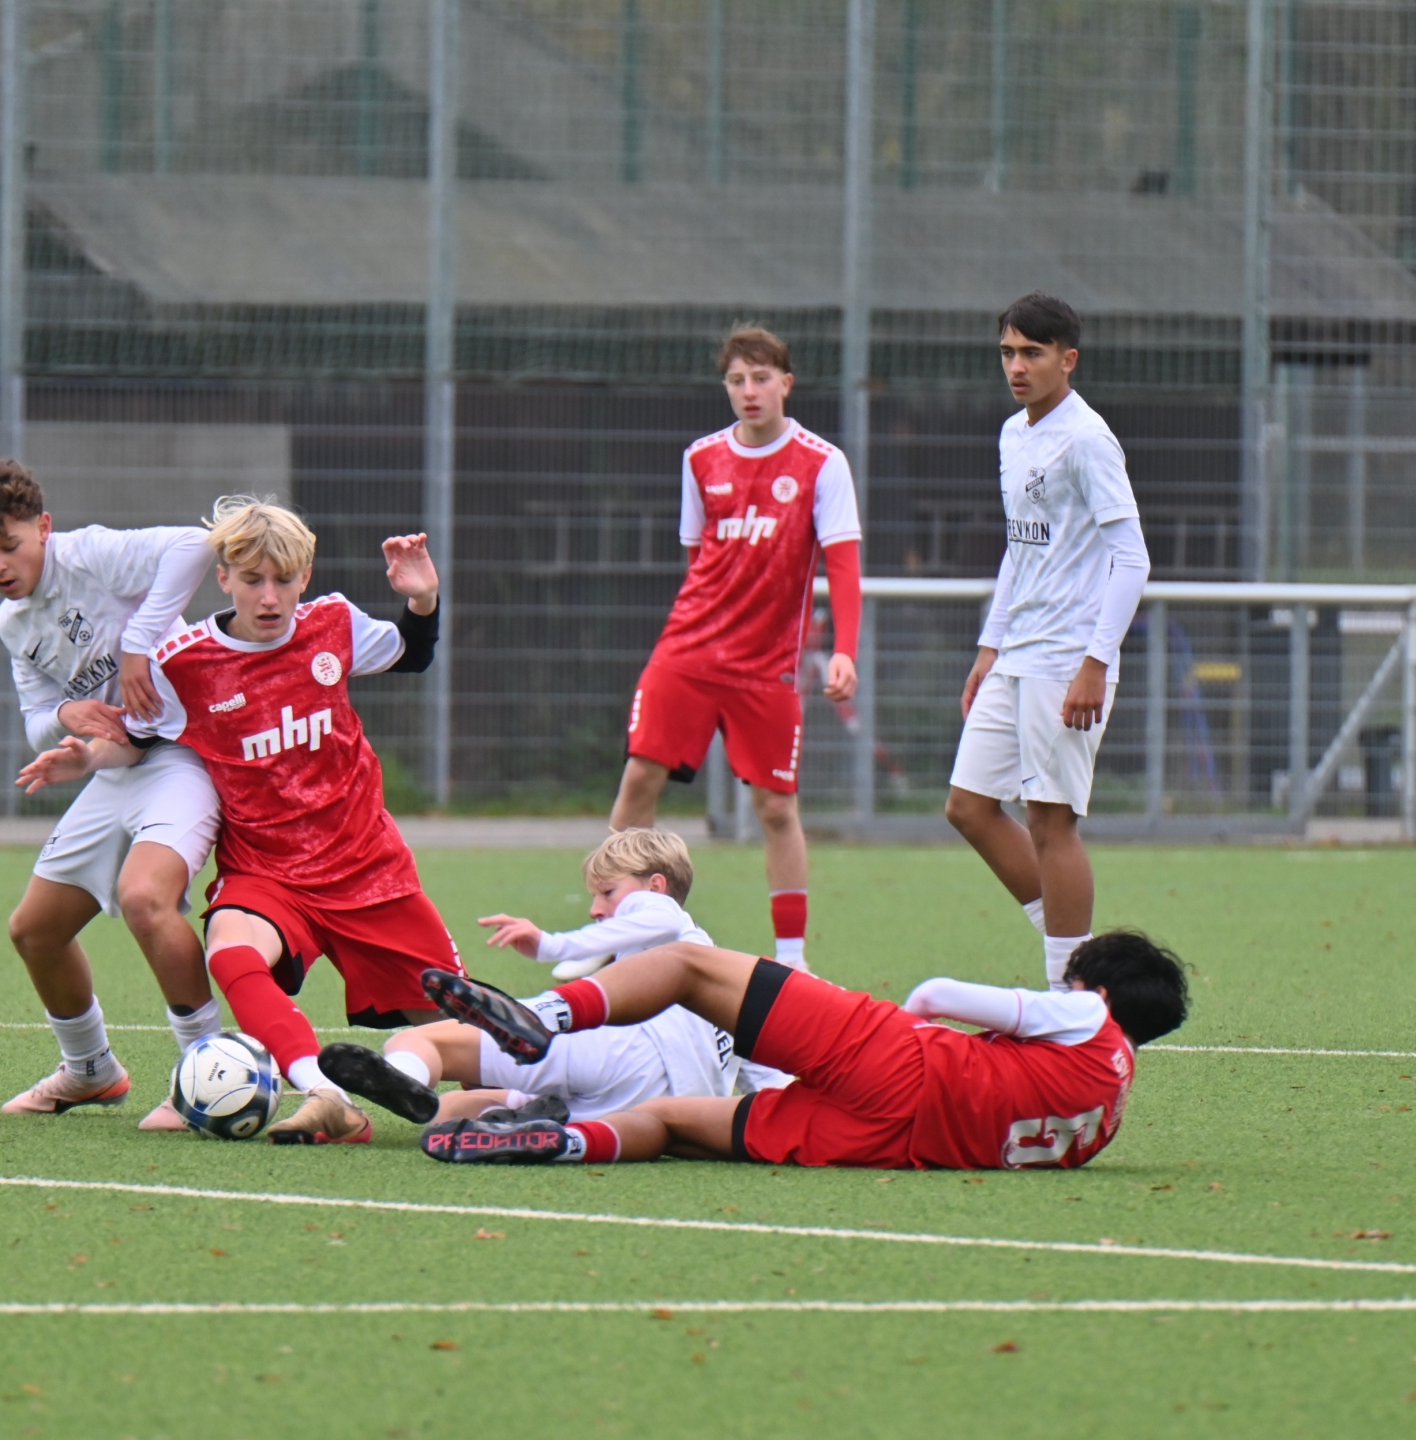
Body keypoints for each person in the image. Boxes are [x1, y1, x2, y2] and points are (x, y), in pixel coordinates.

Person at [17, 496, 463, 1144]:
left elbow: (412, 654)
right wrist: (87, 757)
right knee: (230, 946)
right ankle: (323, 1093)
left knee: (468, 1042)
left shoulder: (334, 623)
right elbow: (138, 739)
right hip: (267, 873)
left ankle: (502, 1086)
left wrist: (423, 599)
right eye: (253, 579)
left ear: (306, 577)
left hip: (369, 870)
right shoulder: (184, 662)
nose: (269, 596)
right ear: (223, 577)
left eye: (284, 579)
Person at [0, 458, 221, 1130]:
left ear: (44, 527)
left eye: (9, 545)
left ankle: (208, 1074)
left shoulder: (91, 555)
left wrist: (138, 644)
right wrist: (67, 719)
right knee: (35, 931)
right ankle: (91, 1069)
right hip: (114, 766)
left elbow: (197, 544)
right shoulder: (13, 622)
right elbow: (37, 717)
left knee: (145, 900)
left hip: (184, 755)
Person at [413, 931, 1186, 1170]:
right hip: (891, 1145)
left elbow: (938, 993)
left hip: (896, 1059)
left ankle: (541, 1017)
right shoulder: (1104, 1121)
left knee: (686, 966)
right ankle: (572, 1143)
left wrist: (893, 1026)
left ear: (1099, 990)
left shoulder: (1087, 1015)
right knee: (675, 1121)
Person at [611, 326, 863, 971]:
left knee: (776, 807)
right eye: (736, 380)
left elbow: (843, 565)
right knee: (639, 779)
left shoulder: (821, 463)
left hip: (767, 668)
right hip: (689, 653)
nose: (749, 391)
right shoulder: (701, 458)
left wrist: (844, 649)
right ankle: (611, 935)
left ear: (786, 384)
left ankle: (792, 959)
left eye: (761, 378)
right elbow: (697, 560)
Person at [945, 294, 1152, 990]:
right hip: (1017, 654)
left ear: (1068, 359)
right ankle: (1079, 957)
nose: (1017, 366)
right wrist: (989, 647)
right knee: (969, 806)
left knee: (1050, 822)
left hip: (1067, 659)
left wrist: (1095, 662)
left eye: (1032, 353)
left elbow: (1132, 559)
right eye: (1008, 352)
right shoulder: (1014, 434)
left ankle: (1070, 997)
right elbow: (1020, 549)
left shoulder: (1087, 439)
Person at [312, 828, 789, 1125]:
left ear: (656, 887)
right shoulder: (722, 974)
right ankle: (507, 1118)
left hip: (621, 1058)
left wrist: (551, 944)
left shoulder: (666, 919)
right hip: (664, 1111)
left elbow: (656, 917)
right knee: (457, 1110)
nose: (596, 908)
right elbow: (764, 1068)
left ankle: (411, 1075)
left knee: (418, 1041)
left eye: (608, 892)